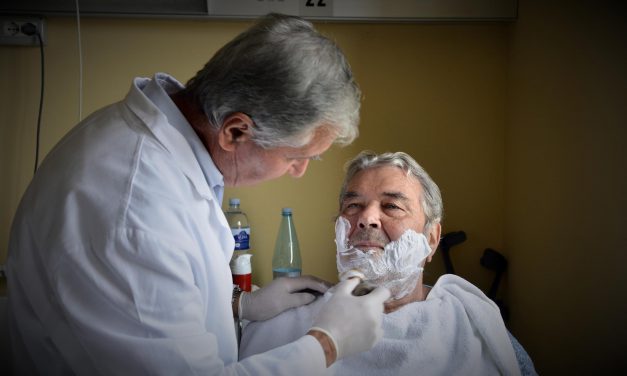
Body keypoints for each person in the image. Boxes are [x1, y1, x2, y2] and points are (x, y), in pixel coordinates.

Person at [6, 14, 391, 375]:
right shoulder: (136, 212)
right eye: (295, 157)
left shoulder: (162, 146)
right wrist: (327, 344)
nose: (299, 172)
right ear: (235, 132)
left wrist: (239, 305)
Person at [240, 151, 538, 376]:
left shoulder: (476, 328)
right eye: (353, 205)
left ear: (432, 239)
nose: (366, 218)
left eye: (392, 206)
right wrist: (238, 305)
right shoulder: (281, 321)